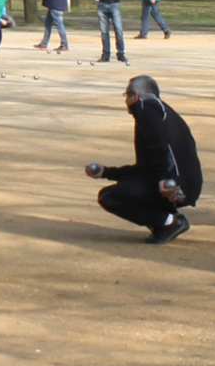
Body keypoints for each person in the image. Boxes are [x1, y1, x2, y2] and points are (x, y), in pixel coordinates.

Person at [86, 75, 203, 244]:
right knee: (128, 184)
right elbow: (146, 166)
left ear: (135, 96)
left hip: (174, 186)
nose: (126, 101)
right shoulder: (161, 111)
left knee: (108, 196)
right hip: (184, 184)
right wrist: (107, 172)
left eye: (126, 95)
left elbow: (158, 144)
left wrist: (164, 177)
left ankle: (169, 222)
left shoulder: (145, 108)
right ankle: (166, 221)